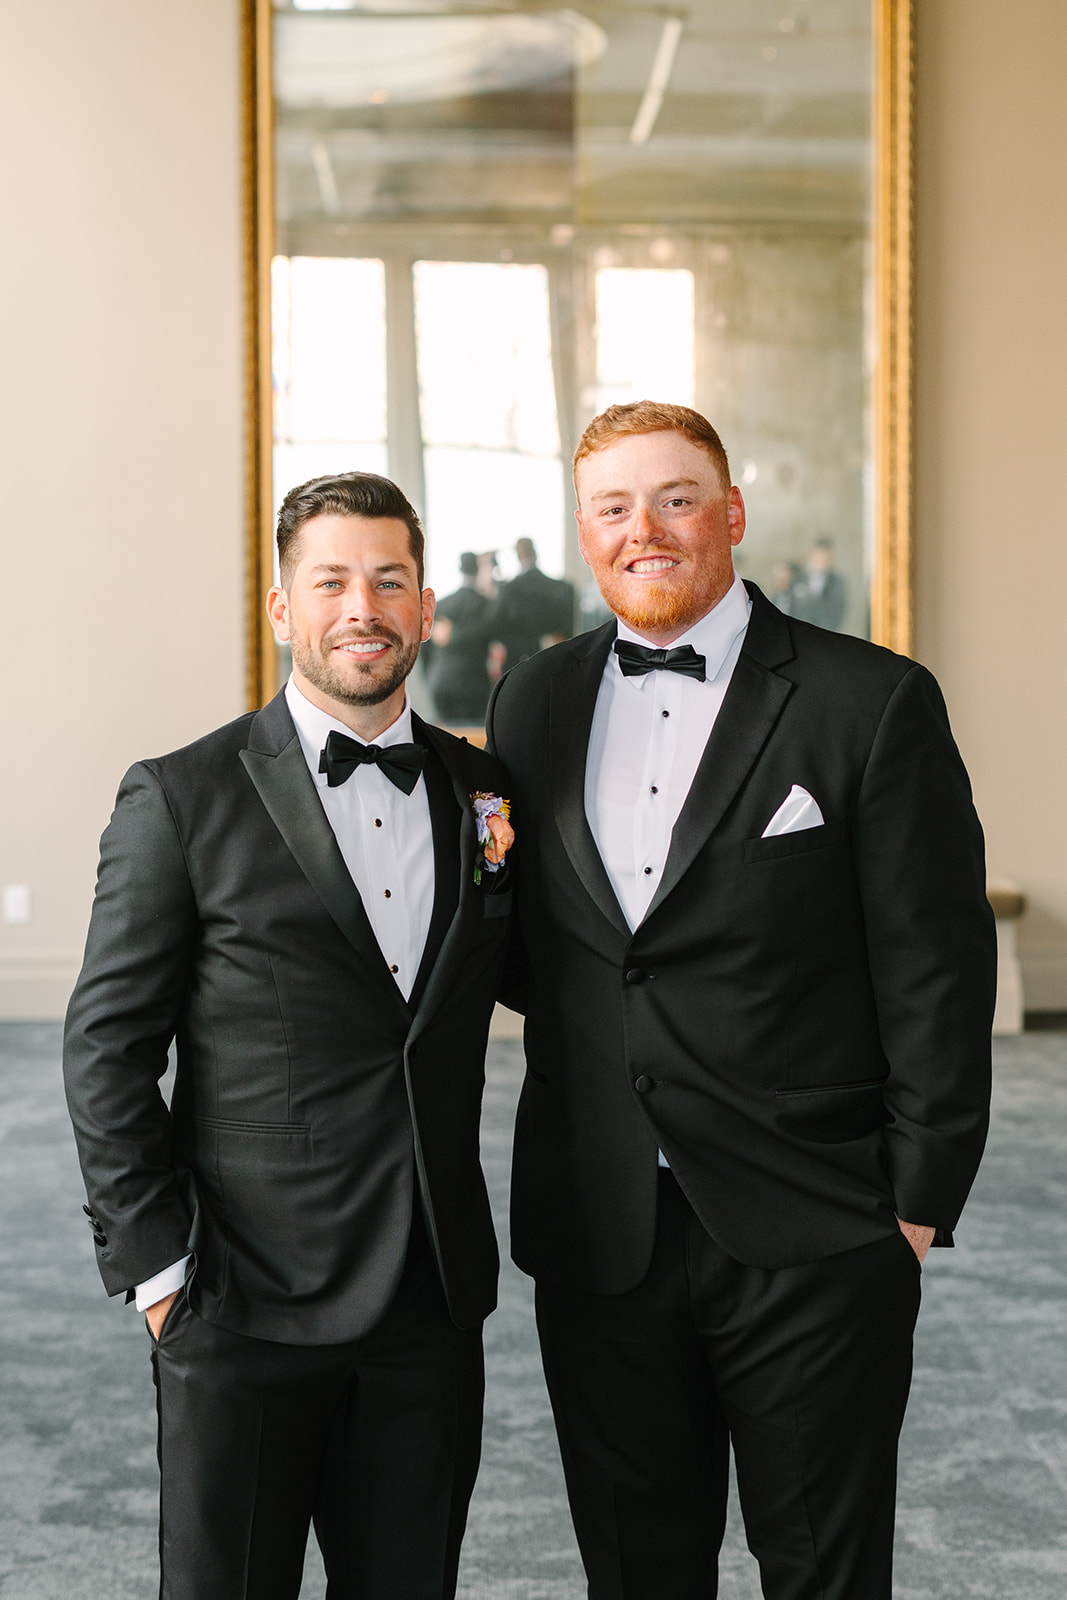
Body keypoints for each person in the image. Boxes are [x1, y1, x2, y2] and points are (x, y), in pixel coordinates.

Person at [486, 401, 995, 1600]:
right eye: (612, 507)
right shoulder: (533, 701)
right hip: (601, 1225)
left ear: (730, 513)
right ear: (583, 530)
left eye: (673, 498)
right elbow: (550, 949)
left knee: (819, 1565)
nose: (644, 529)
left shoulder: (867, 699)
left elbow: (936, 964)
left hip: (815, 1223)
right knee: (634, 1566)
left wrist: (913, 1204)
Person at [64, 471, 514, 1600]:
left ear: (422, 607)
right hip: (239, 1299)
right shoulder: (180, 797)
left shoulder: (482, 792)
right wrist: (158, 1270)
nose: (361, 605)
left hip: (427, 1301)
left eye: (388, 579)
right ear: (281, 607)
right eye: (331, 580)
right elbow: (106, 1046)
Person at [425, 550, 494, 724]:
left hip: (441, 681)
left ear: (459, 569)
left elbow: (424, 646)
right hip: (474, 684)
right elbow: (487, 635)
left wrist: (431, 675)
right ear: (477, 570)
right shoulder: (485, 605)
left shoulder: (441, 605)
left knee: (443, 739)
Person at [489, 537, 575, 667]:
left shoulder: (510, 589)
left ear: (518, 555)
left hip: (518, 661)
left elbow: (497, 623)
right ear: (535, 553)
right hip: (553, 657)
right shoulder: (560, 587)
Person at [792, 536, 848, 630]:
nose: (824, 560)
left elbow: (839, 611)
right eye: (821, 555)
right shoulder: (797, 578)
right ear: (812, 554)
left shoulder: (837, 582)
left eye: (829, 557)